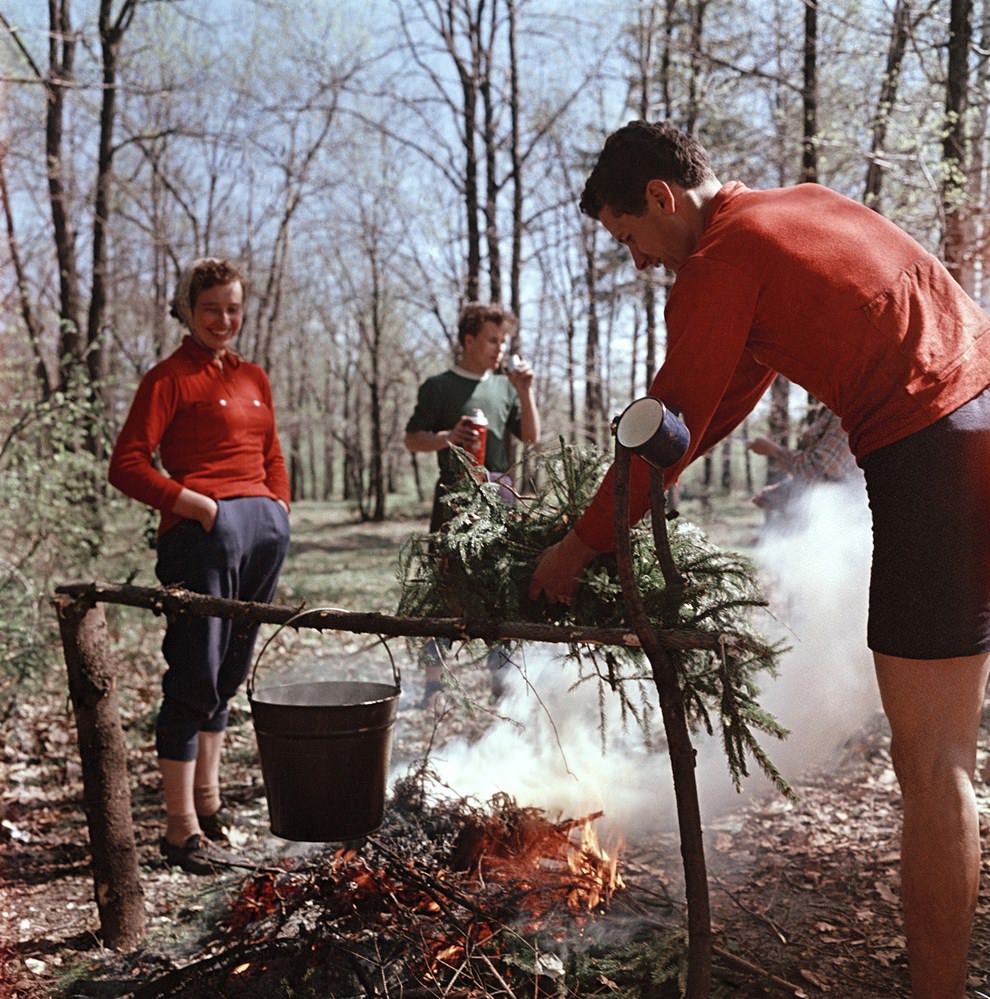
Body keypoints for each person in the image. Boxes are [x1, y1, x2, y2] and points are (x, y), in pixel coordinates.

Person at [528, 120, 990, 999]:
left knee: (933, 766)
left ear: (661, 197)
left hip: (930, 447)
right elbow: (713, 405)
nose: (638, 261)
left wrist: (579, 545)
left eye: (631, 238)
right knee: (952, 755)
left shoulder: (719, 262)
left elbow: (666, 415)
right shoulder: (795, 209)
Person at [109, 257, 291, 875]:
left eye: (233, 307)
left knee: (230, 671)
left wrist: (278, 511)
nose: (223, 319)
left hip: (262, 532)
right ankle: (179, 829)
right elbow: (127, 464)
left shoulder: (254, 377)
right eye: (211, 307)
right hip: (203, 536)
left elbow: (272, 453)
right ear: (187, 308)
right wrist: (197, 506)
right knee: (195, 672)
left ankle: (209, 806)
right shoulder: (168, 378)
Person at [405, 302, 541, 708]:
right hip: (454, 493)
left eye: (503, 341)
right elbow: (413, 438)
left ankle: (503, 682)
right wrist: (447, 437)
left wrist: (525, 391)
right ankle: (434, 685)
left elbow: (531, 436)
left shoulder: (504, 387)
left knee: (501, 584)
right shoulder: (438, 386)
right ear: (468, 340)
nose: (499, 349)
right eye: (491, 340)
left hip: (500, 494)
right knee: (444, 586)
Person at [749, 399, 859, 521]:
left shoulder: (847, 410)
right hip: (824, 521)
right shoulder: (832, 409)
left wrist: (775, 451)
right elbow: (822, 478)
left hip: (841, 521)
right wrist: (780, 493)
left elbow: (821, 467)